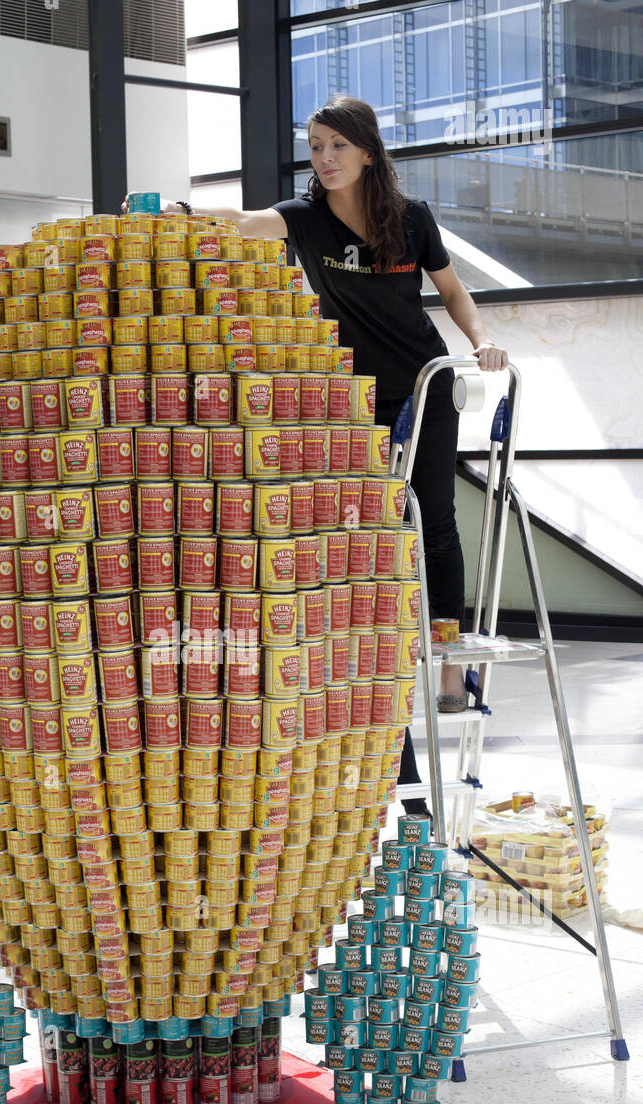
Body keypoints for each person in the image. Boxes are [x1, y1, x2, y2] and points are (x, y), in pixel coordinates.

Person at [123, 94, 508, 814]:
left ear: (367, 151)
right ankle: (386, 717)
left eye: (336, 145)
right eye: (315, 146)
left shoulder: (413, 220)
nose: (324, 159)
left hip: (424, 386)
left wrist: (479, 339)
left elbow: (453, 293)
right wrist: (176, 213)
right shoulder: (304, 220)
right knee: (375, 544)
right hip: (351, 405)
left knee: (437, 525)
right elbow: (241, 222)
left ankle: (451, 667)